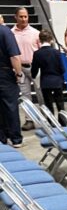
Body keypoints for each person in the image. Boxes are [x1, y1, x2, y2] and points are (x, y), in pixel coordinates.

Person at [11, 6, 40, 130]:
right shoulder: (10, 33)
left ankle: (46, 118)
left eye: (25, 16)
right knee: (25, 95)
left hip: (35, 67)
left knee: (41, 93)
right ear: (16, 17)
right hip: (20, 69)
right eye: (21, 17)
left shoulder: (35, 33)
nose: (23, 19)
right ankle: (29, 120)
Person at [30, 29, 65, 116]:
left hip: (45, 81)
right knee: (60, 103)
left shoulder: (37, 53)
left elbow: (34, 69)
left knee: (48, 104)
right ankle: (63, 122)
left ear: (40, 40)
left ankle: (51, 122)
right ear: (51, 39)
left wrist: (33, 76)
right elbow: (62, 69)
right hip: (57, 81)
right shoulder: (56, 52)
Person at [0, 19, 23, 147]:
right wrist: (18, 74)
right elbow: (14, 56)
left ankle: (1, 138)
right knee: (10, 106)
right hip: (5, 73)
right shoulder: (5, 32)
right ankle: (15, 138)